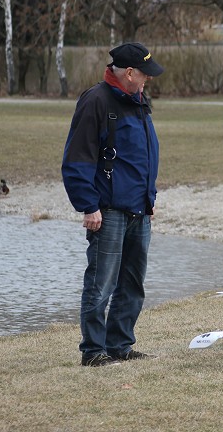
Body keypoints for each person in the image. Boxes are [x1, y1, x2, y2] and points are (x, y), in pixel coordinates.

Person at [62, 42, 164, 366]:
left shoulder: (139, 100)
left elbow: (142, 154)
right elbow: (77, 159)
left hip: (139, 209)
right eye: (145, 74)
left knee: (132, 283)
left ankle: (120, 345)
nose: (148, 80)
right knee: (100, 283)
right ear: (130, 72)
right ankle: (93, 351)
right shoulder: (96, 101)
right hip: (107, 211)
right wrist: (88, 206)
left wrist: (150, 198)